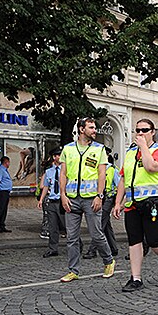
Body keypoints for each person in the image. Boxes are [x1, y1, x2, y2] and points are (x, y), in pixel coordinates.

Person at [112, 118, 158, 292]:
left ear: (152, 132)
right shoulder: (130, 152)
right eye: (137, 130)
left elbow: (151, 167)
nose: (140, 133)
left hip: (153, 203)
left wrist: (144, 148)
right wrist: (118, 202)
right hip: (132, 204)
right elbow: (123, 178)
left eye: (144, 130)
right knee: (134, 241)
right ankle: (136, 278)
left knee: (154, 240)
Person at [59, 118, 116, 282]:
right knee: (71, 238)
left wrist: (100, 196)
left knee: (96, 234)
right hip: (71, 198)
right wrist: (63, 195)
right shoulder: (68, 149)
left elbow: (102, 174)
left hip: (91, 199)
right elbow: (63, 173)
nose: (95, 130)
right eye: (91, 127)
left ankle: (109, 260)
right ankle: (73, 270)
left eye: (95, 127)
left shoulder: (99, 149)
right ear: (81, 129)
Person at [38, 147, 64, 258]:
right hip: (52, 200)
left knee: (68, 225)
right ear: (54, 157)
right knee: (52, 227)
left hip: (63, 201)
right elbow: (46, 186)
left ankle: (78, 245)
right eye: (58, 155)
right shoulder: (49, 171)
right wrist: (41, 199)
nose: (60, 157)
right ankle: (53, 249)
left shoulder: (66, 169)